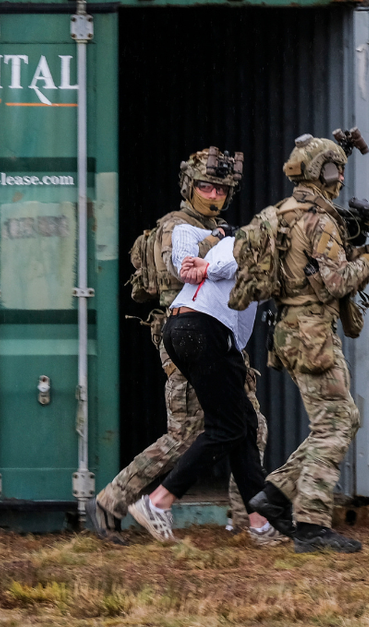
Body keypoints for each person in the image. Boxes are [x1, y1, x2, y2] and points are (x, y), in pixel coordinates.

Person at [85, 149, 275, 546]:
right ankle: (111, 501)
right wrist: (227, 243)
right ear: (189, 188)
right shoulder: (178, 226)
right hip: (189, 342)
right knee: (186, 435)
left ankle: (253, 522)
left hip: (218, 338)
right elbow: (179, 266)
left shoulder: (217, 229)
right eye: (206, 186)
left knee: (248, 427)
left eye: (222, 188)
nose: (214, 194)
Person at [247, 135, 369, 554]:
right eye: (336, 170)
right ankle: (311, 524)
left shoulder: (282, 212)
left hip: (289, 329)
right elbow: (334, 282)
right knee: (336, 423)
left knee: (342, 419)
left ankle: (275, 495)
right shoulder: (320, 221)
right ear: (326, 172)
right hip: (312, 331)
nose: (339, 179)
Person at [128, 225, 291, 544]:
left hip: (182, 328)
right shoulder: (252, 248)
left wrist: (199, 248)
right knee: (226, 428)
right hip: (203, 329)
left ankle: (260, 524)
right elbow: (240, 261)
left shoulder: (226, 242)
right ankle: (157, 502)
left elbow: (183, 231)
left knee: (242, 424)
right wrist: (206, 266)